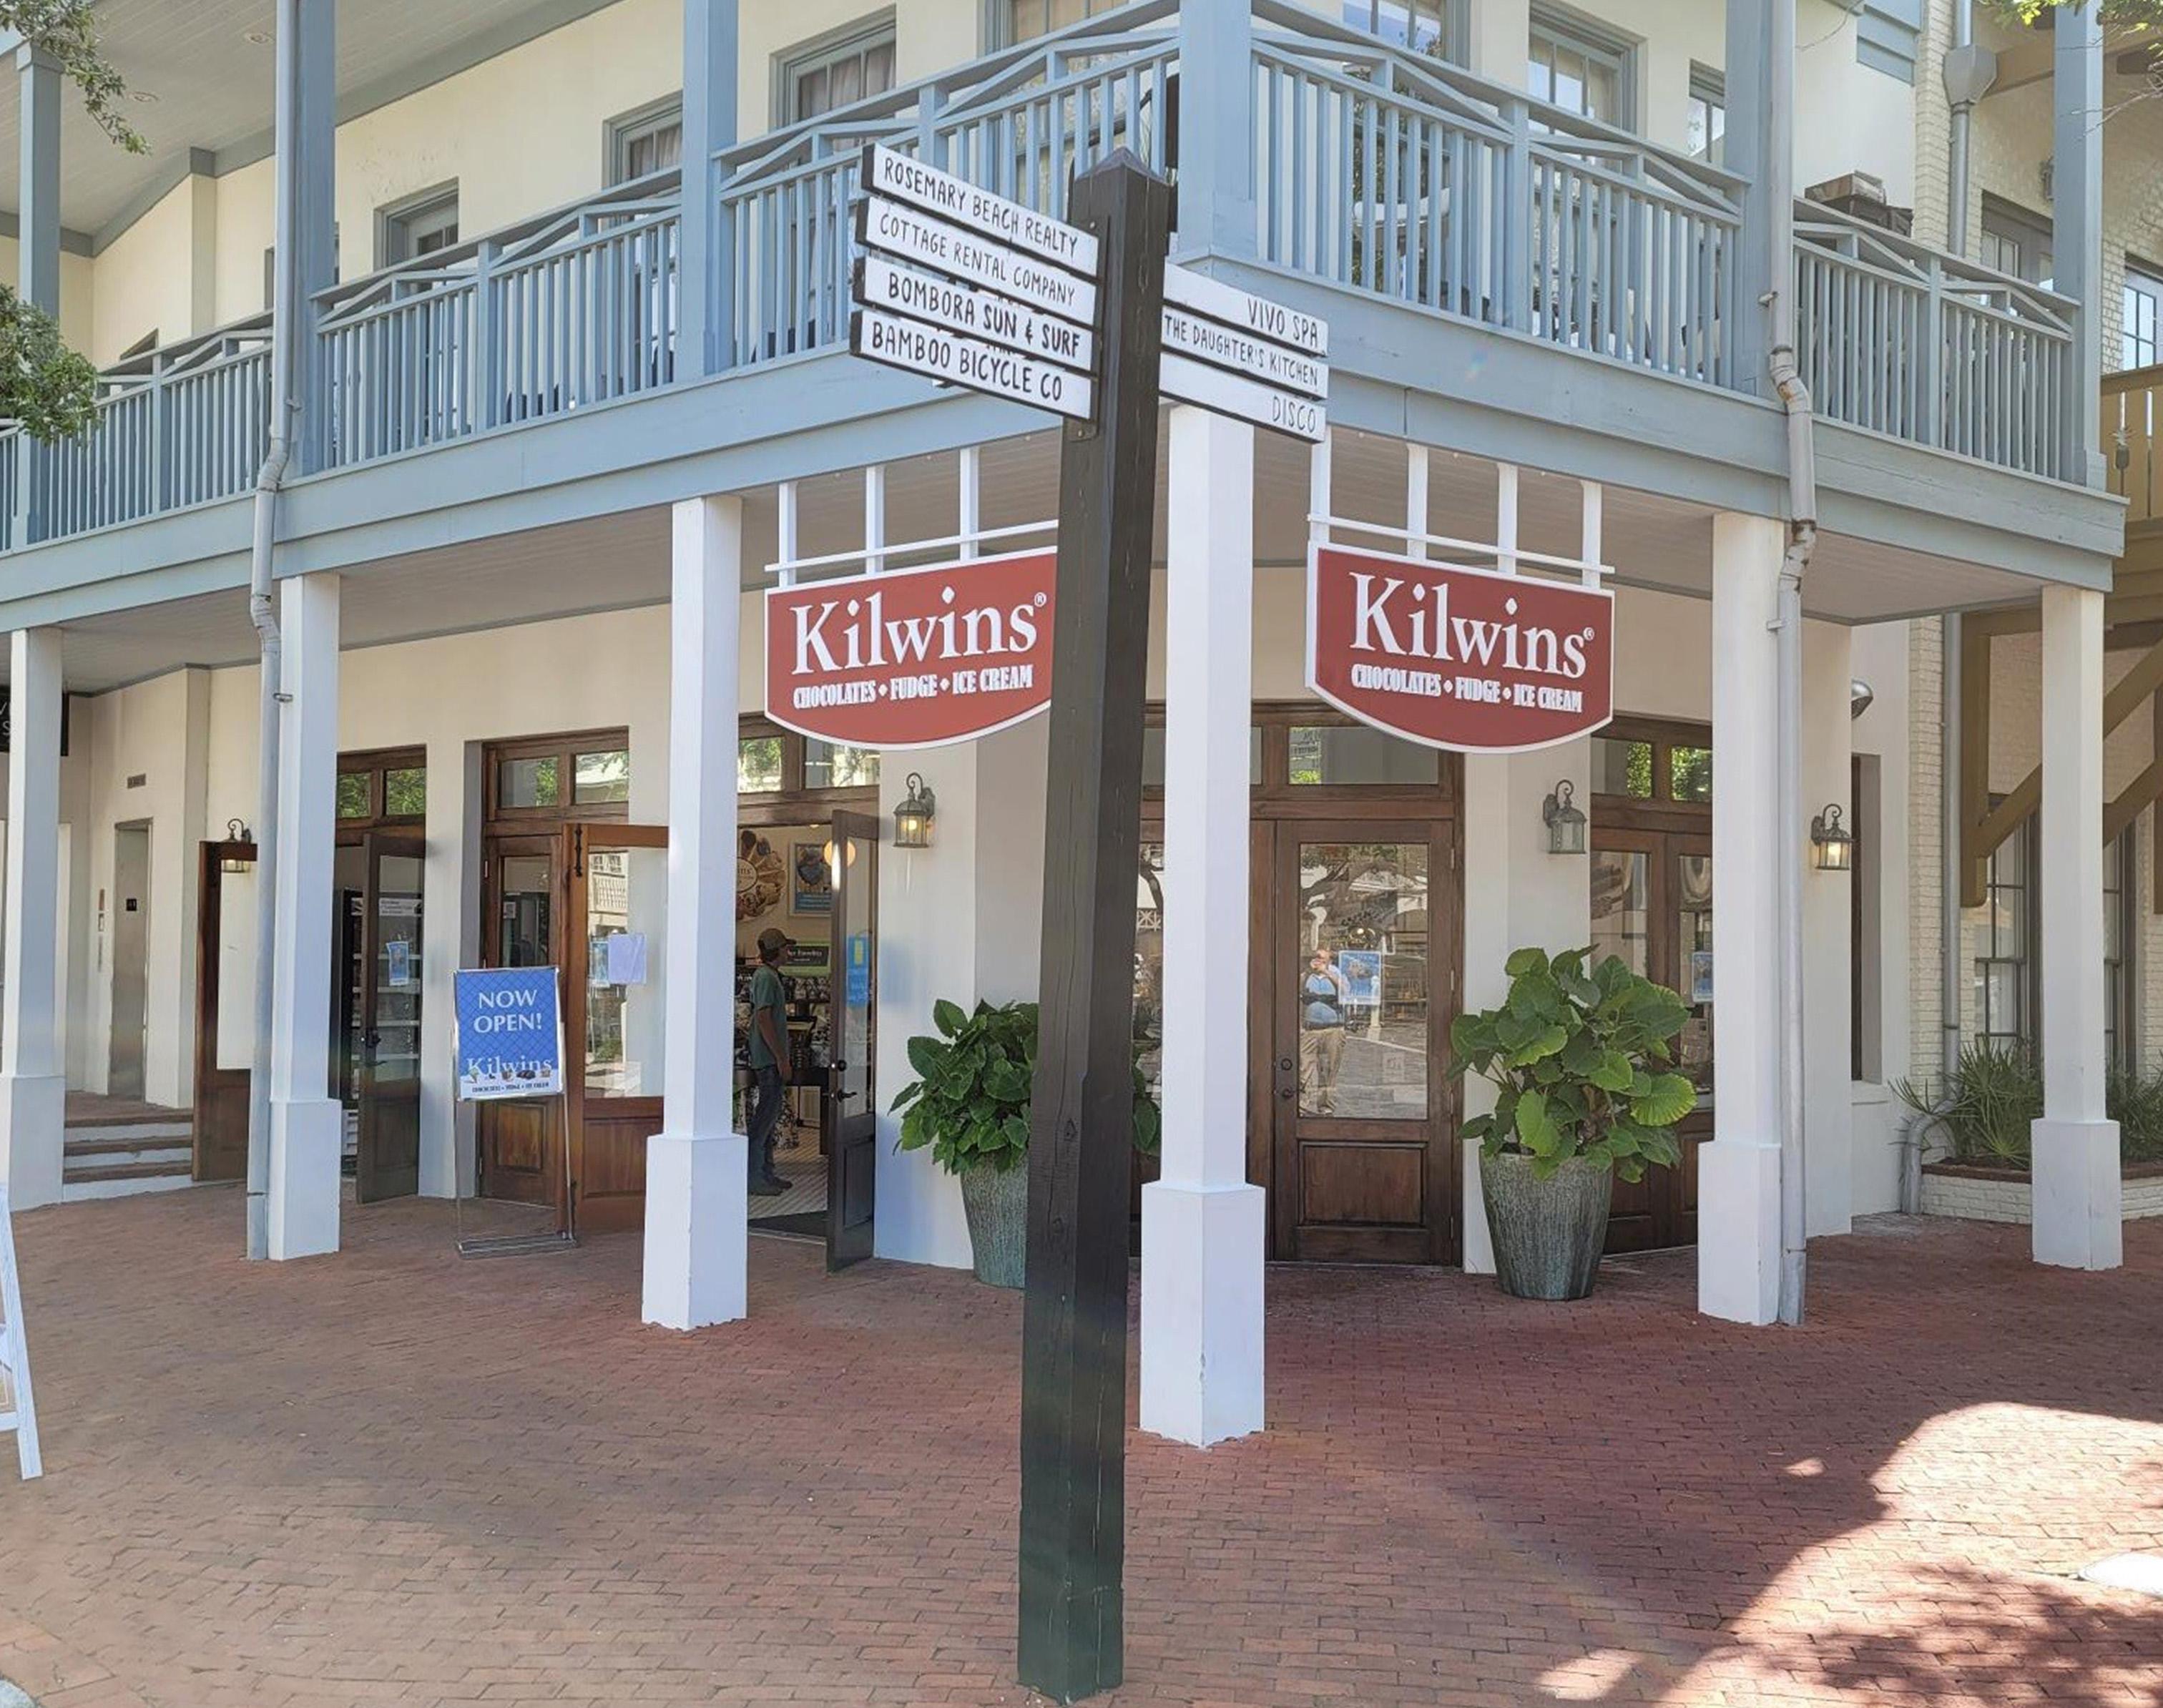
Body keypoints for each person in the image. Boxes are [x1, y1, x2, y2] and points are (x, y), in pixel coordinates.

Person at [747, 926, 794, 1195]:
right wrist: (780, 1058)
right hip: (768, 1059)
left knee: (770, 1114)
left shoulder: (769, 976)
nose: (789, 952)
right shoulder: (765, 977)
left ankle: (766, 1172)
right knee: (764, 1118)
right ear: (776, 950)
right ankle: (754, 1176)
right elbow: (764, 1019)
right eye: (786, 948)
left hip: (768, 1057)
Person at [1298, 948, 1350, 1116]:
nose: (1317, 959)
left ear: (1329, 961)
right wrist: (1307, 972)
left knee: (1328, 1070)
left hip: (1332, 1029)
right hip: (1310, 1030)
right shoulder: (1306, 976)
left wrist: (1326, 973)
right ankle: (1302, 1105)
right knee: (1304, 1069)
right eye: (1315, 957)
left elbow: (1346, 992)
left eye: (1321, 958)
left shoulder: (1337, 976)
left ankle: (1326, 1106)